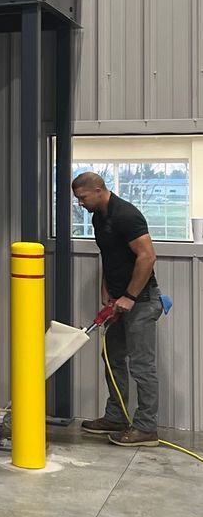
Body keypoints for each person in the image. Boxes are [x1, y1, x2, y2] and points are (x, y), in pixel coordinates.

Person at [71, 171, 162, 447]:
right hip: (119, 300)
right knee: (112, 357)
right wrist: (106, 288)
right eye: (77, 199)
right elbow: (109, 255)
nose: (80, 203)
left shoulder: (127, 215)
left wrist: (130, 296)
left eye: (83, 198)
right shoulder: (99, 218)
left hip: (141, 301)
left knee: (142, 365)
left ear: (99, 190)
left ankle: (146, 428)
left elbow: (147, 256)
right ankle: (116, 417)